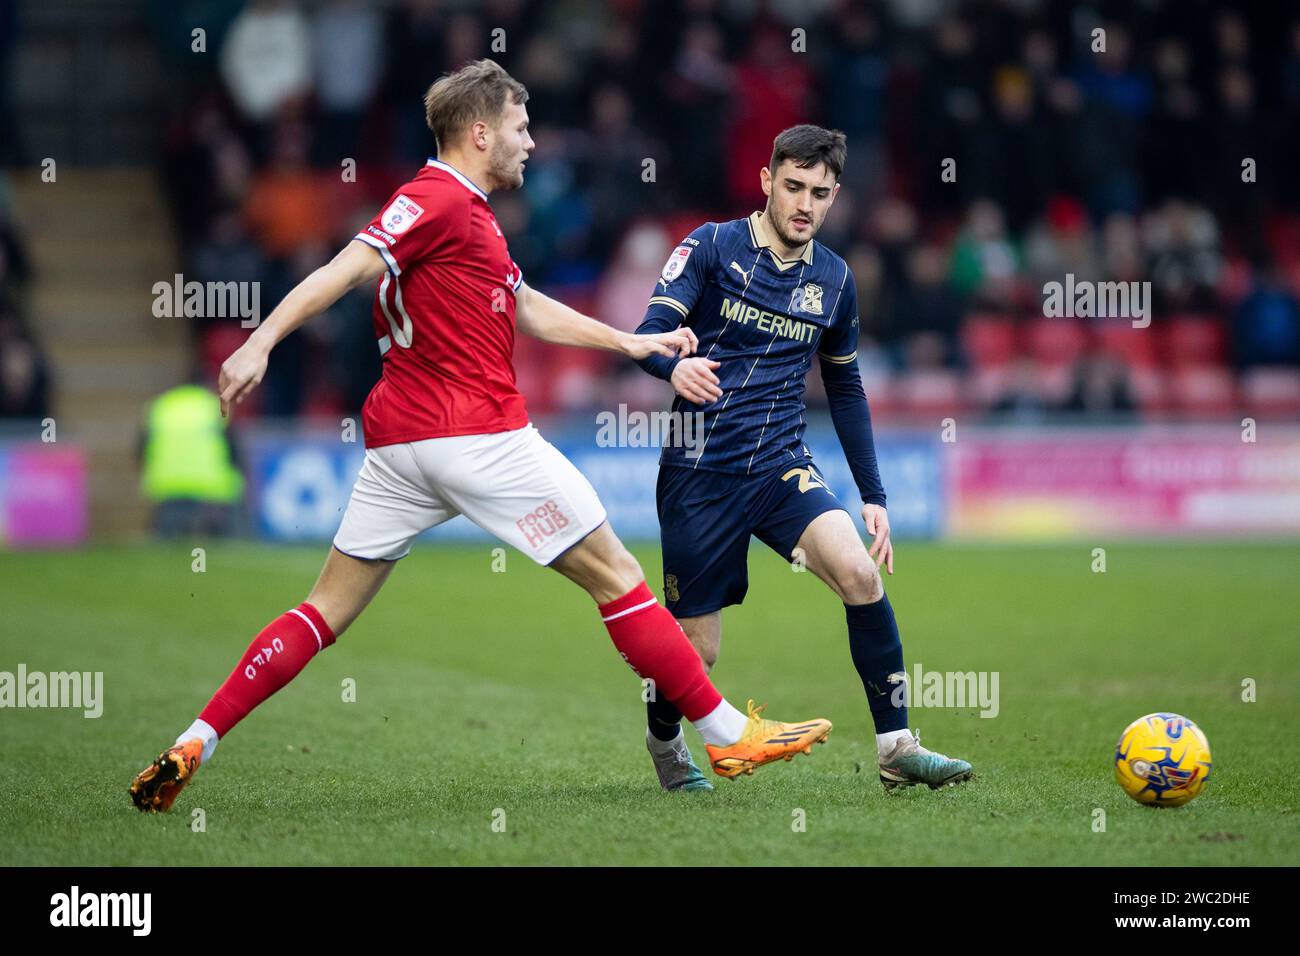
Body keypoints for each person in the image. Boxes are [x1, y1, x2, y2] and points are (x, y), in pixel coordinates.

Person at [130, 60, 830, 813]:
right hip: (474, 433)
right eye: (522, 130)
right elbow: (347, 266)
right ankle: (726, 733)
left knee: (322, 610)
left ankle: (194, 740)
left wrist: (631, 344)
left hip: (399, 449)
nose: (531, 144)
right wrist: (260, 339)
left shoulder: (470, 219)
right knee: (617, 573)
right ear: (480, 132)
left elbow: (524, 305)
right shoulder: (434, 198)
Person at [632, 125, 971, 792]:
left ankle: (897, 748)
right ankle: (665, 742)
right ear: (766, 182)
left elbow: (844, 385)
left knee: (860, 574)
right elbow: (646, 338)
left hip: (781, 465)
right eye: (792, 187)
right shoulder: (710, 247)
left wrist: (874, 496)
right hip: (700, 474)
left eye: (819, 193)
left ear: (834, 196)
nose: (804, 204)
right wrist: (673, 369)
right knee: (697, 652)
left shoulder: (836, 279)